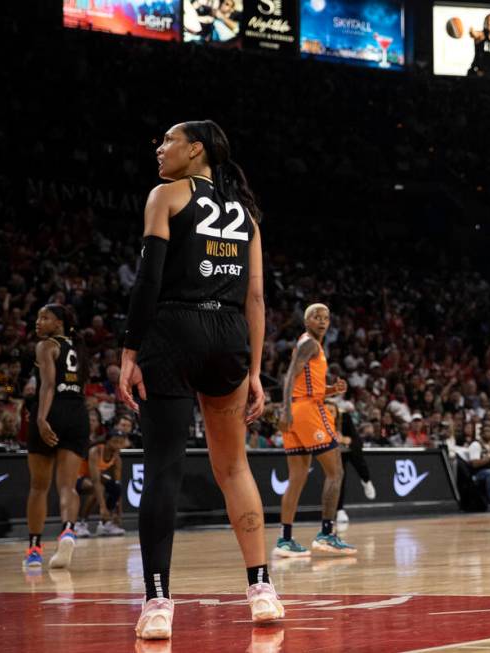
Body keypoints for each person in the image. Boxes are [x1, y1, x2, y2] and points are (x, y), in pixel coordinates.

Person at [117, 119, 283, 639]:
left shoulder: (166, 195)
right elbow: (256, 299)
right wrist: (255, 370)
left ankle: (158, 603)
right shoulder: (247, 213)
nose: (159, 148)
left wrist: (129, 348)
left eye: (168, 140)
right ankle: (262, 591)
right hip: (230, 335)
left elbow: (148, 280)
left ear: (196, 150)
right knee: (235, 468)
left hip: (175, 328)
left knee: (163, 467)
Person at [275, 304, 357, 557]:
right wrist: (286, 409)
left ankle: (285, 539)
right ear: (306, 321)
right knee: (336, 471)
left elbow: (303, 383)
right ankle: (326, 534)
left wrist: (331, 390)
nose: (322, 321)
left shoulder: (308, 344)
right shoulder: (310, 344)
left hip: (299, 409)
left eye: (326, 318)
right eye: (316, 317)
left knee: (297, 478)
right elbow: (289, 375)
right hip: (307, 411)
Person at [24, 304, 91, 571]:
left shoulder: (46, 346)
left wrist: (41, 418)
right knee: (68, 486)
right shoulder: (79, 348)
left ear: (59, 323)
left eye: (45, 318)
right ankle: (67, 531)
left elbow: (49, 386)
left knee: (39, 487)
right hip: (78, 413)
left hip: (53, 410)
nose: (38, 322)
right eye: (37, 317)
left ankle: (34, 549)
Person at [74, 430, 130, 537]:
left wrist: (119, 513)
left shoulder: (117, 457)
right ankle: (81, 523)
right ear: (107, 442)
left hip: (94, 478)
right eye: (115, 442)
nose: (118, 445)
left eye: (120, 442)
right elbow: (95, 481)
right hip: (77, 477)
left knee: (116, 487)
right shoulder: (95, 451)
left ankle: (106, 524)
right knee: (97, 488)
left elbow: (118, 484)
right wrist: (102, 508)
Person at [334, 402, 377, 524]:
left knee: (357, 455)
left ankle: (366, 480)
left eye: (333, 411)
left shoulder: (344, 416)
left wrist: (345, 440)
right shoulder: (320, 418)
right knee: (339, 479)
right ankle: (339, 510)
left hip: (348, 446)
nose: (330, 413)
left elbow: (353, 438)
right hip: (334, 452)